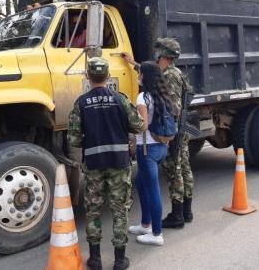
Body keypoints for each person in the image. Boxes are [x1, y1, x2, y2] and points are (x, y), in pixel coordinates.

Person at [68, 57, 143, 270]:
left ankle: (95, 260)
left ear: (87, 77)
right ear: (109, 76)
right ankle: (120, 260)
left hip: (93, 164)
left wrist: (90, 138)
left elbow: (73, 139)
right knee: (120, 210)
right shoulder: (121, 99)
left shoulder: (81, 103)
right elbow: (138, 126)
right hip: (119, 163)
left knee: (93, 210)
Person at [122, 37, 194, 229]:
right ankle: (186, 212)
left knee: (175, 170)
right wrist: (134, 64)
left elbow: (173, 108)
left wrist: (166, 132)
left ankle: (178, 215)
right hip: (178, 128)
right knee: (183, 167)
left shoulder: (170, 75)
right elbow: (152, 73)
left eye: (158, 51)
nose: (156, 55)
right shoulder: (172, 71)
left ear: (164, 55)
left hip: (173, 130)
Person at [128, 62, 173, 246]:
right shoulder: (162, 96)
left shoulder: (142, 98)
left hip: (147, 150)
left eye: (139, 73)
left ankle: (156, 233)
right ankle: (145, 224)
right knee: (140, 183)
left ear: (144, 76)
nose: (137, 76)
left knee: (153, 189)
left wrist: (129, 123)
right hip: (161, 147)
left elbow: (143, 125)